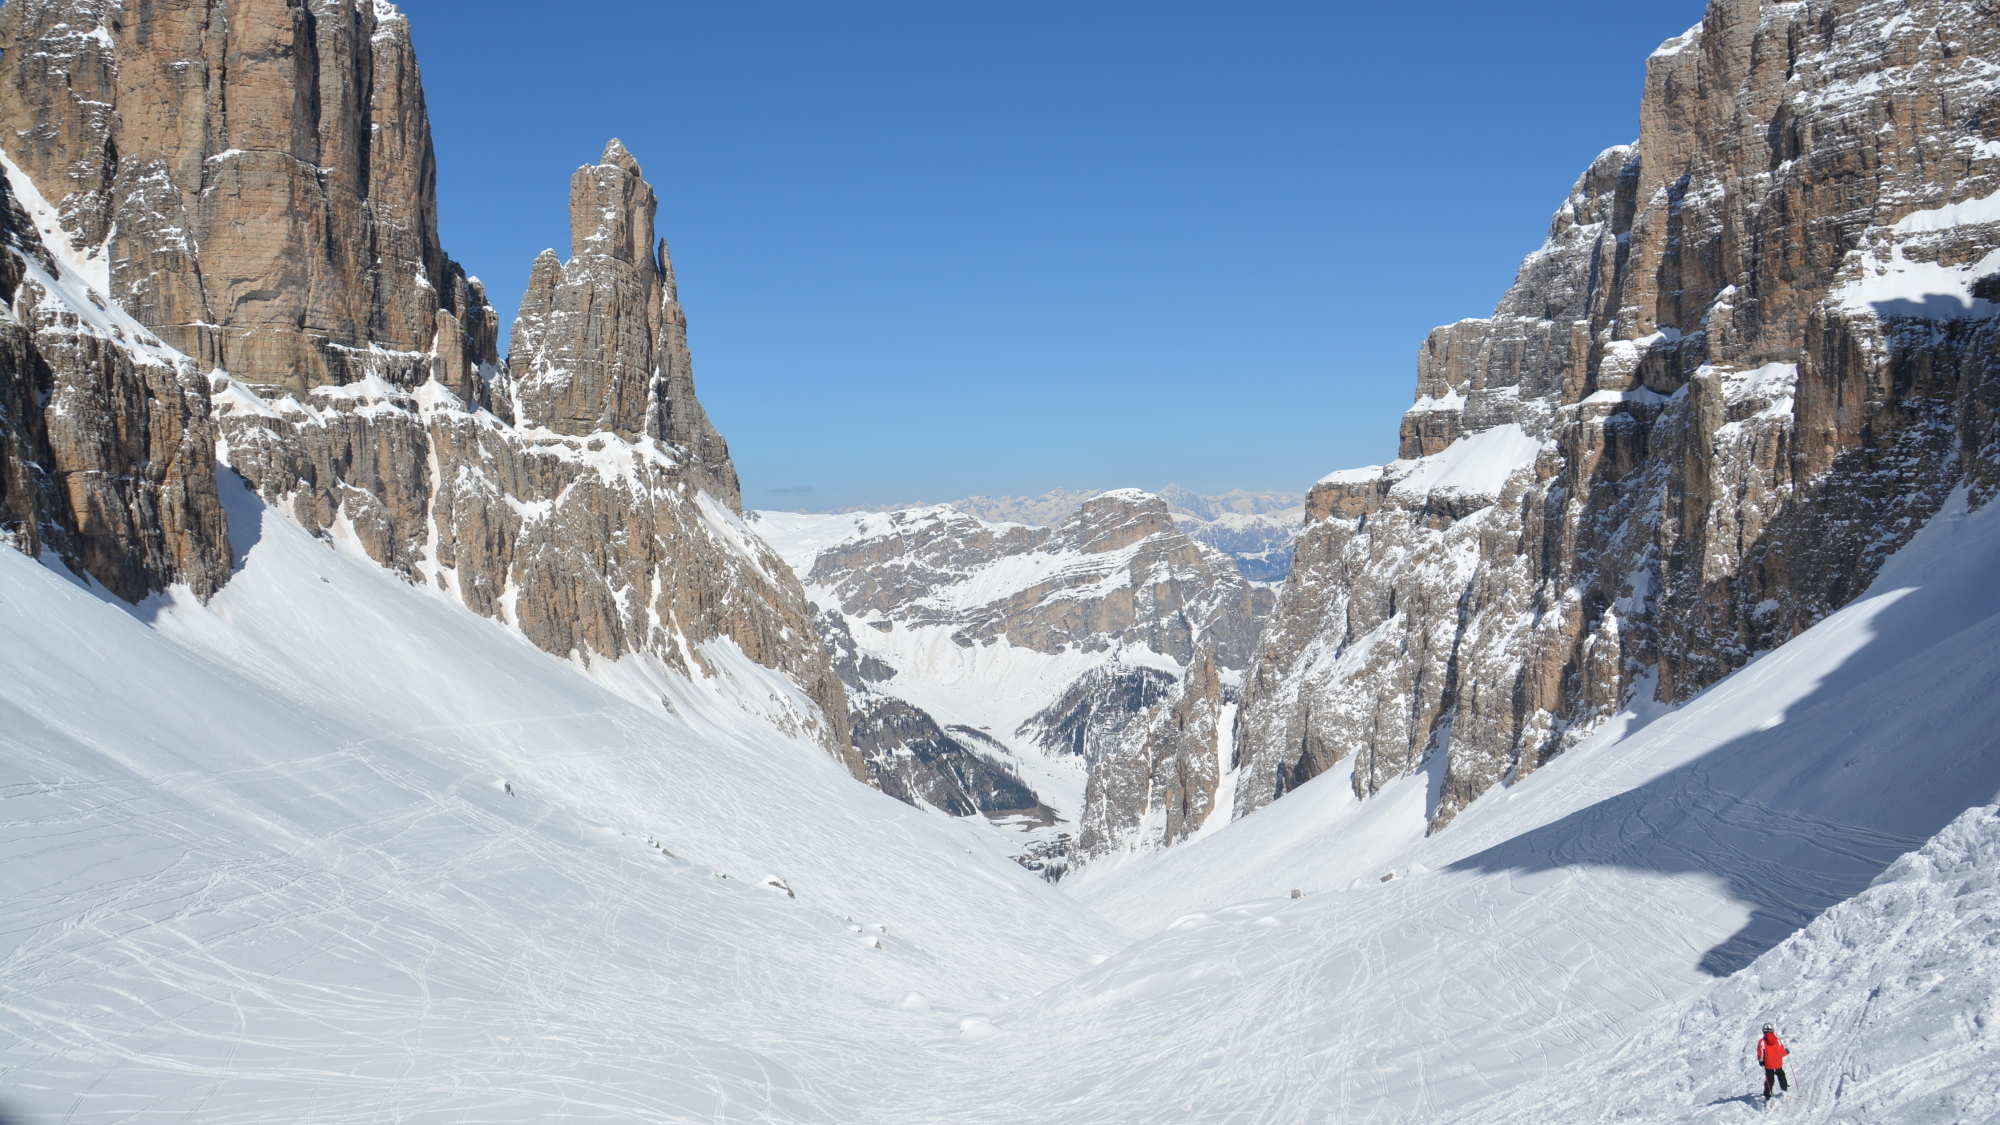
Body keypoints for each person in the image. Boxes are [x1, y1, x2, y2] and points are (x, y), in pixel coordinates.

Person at [1757, 1025, 1790, 1100]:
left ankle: (1767, 1094)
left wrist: (1761, 1061)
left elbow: (1760, 1054)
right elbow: (1782, 1052)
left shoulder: (1762, 1042)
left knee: (1769, 1079)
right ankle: (1784, 1089)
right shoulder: (1777, 1040)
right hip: (1778, 1063)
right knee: (1781, 1075)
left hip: (1768, 1064)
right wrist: (1786, 1052)